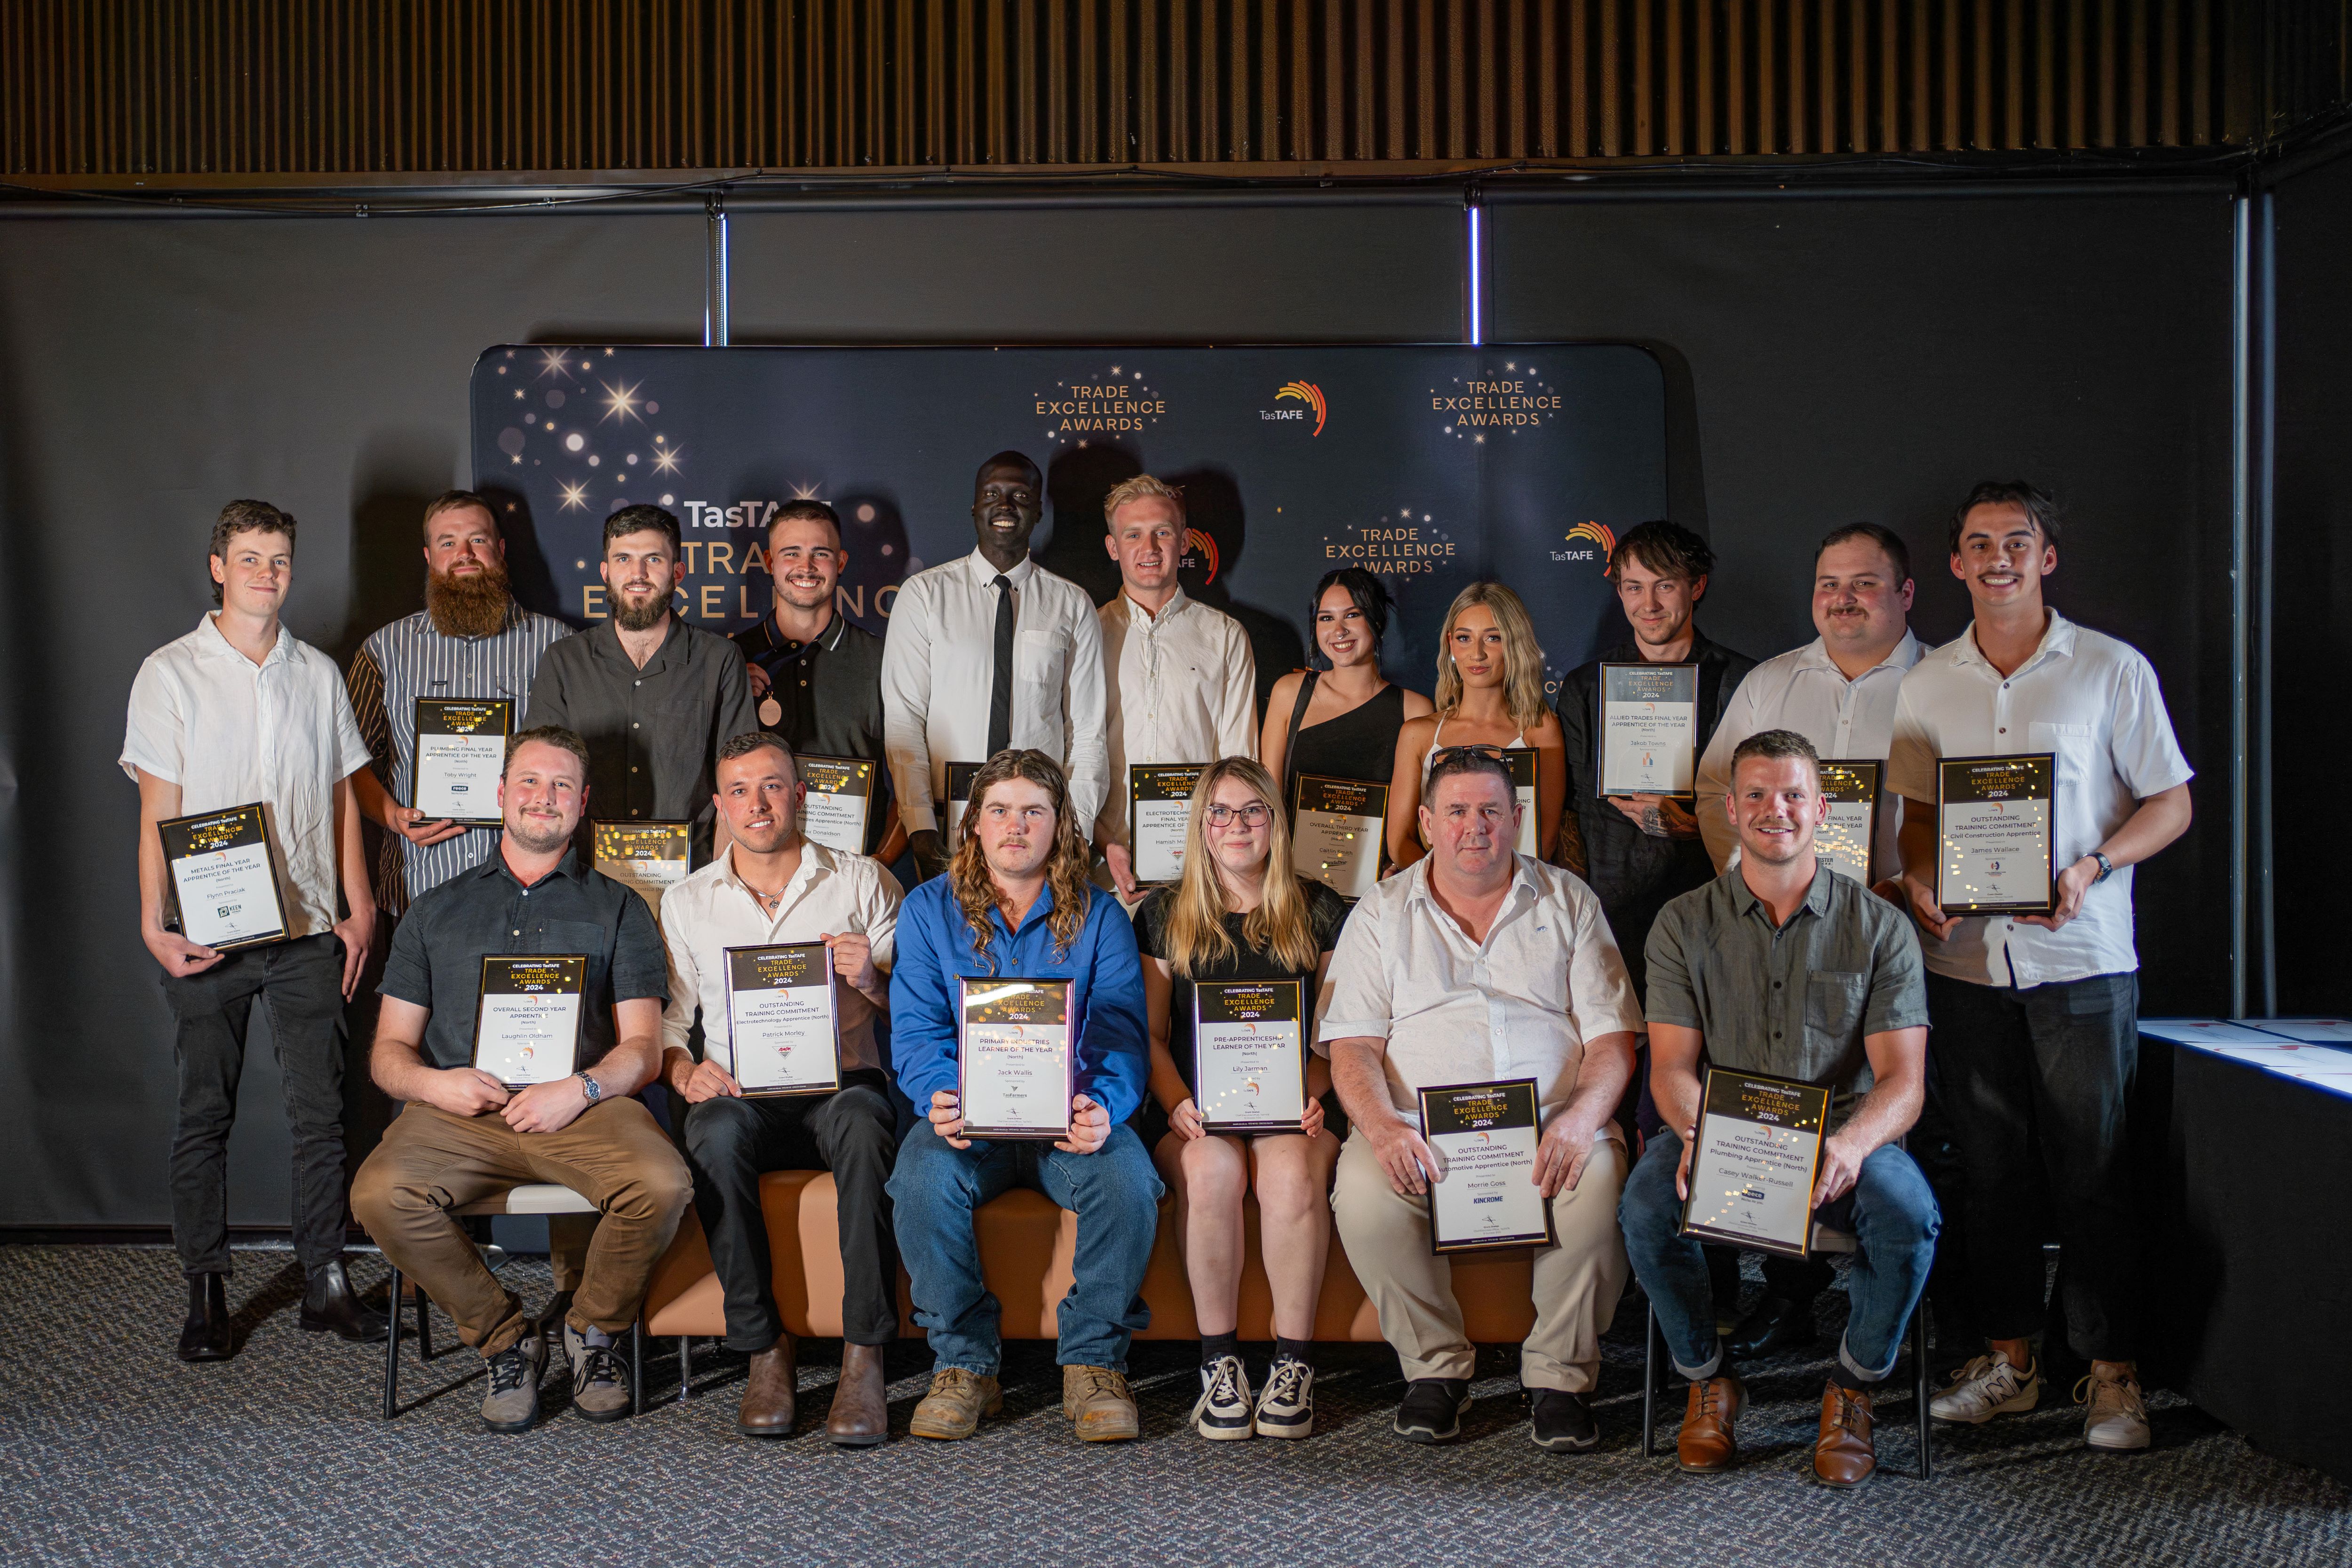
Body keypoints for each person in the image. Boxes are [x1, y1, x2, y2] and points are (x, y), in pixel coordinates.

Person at [1891, 481, 2193, 1454]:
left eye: (2015, 542)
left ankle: (2112, 1374)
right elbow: (1918, 818)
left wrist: (2094, 864)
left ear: (2045, 557)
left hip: (2080, 958)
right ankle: (2011, 1362)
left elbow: (2170, 803)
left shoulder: (2109, 668)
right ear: (1954, 562)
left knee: (2094, 1171)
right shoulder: (1928, 680)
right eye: (1977, 543)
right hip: (1968, 962)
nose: (1997, 559)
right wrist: (1921, 877)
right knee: (1989, 1174)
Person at [350, 727, 691, 1435]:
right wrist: (436, 1086)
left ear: (584, 803)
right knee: (379, 1193)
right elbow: (388, 1053)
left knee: (663, 1184)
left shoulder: (620, 907)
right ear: (501, 795)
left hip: (584, 1108)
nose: (546, 798)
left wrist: (583, 1089)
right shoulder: (433, 911)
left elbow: (642, 1048)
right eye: (531, 782)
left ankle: (592, 1330)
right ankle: (507, 1340)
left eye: (563, 785)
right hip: (459, 1114)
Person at [1621, 729, 1938, 1487]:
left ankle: (1853, 1385)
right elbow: (1671, 1066)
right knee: (1643, 1206)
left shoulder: (1880, 926)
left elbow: (1905, 1082)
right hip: (1720, 1128)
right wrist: (1697, 1135)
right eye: (1757, 795)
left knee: (1908, 1215)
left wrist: (1854, 1145)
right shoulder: (1681, 924)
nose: (1776, 811)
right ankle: (1707, 1376)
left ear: (1822, 808)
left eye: (1794, 794)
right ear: (1731, 809)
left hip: (1843, 1134)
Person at [121, 499, 384, 1361]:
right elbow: (156, 806)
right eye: (249, 558)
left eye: (278, 559)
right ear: (217, 566)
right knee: (205, 1112)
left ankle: (325, 1280)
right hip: (208, 933)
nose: (266, 573)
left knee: (321, 1114)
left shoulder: (318, 673)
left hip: (308, 925)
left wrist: (360, 906)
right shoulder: (169, 673)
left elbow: (345, 796)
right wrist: (154, 922)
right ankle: (206, 1288)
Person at [1324, 747, 1640, 1452]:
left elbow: (1614, 1040)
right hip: (1418, 1128)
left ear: (1518, 819)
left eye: (1492, 811)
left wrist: (1583, 1119)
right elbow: (1352, 1047)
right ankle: (1435, 1369)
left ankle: (1560, 1377)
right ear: (1427, 822)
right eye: (1459, 812)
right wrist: (1379, 1128)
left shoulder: (1569, 901)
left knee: (1598, 1179)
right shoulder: (1379, 911)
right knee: (1364, 1191)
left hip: (1552, 1124)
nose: (1476, 828)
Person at [1685, 522, 1923, 1360]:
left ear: (1906, 593)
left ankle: (1914, 1308)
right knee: (1781, 1090)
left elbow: (1953, 808)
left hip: (1911, 933)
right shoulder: (1772, 681)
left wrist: (1915, 884)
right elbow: (1719, 789)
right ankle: (1789, 1295)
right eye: (1829, 583)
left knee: (1908, 1113)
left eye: (1864, 582)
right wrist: (1761, 885)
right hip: (1780, 930)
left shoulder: (1941, 681)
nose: (1844, 598)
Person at [885, 749, 1160, 1443]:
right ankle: (964, 1363)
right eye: (1000, 810)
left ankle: (1095, 1361)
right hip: (969, 1122)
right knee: (919, 1175)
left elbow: (1121, 1030)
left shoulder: (1099, 916)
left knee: (1129, 1177)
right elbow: (917, 1027)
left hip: (1066, 1121)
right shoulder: (926, 910)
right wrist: (939, 1094)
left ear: (1059, 825)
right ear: (973, 824)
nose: (1016, 825)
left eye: (1033, 811)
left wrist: (1102, 1105)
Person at [659, 732, 903, 1445]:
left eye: (772, 786)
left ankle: (866, 1352)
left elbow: (922, 1008)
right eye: (739, 790)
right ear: (719, 806)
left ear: (800, 793)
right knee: (712, 1131)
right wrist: (683, 1070)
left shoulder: (862, 882)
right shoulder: (686, 901)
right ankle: (764, 1348)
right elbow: (670, 1022)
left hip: (841, 1085)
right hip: (741, 1090)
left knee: (864, 1120)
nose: (757, 804)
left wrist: (871, 979)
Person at [1134, 758, 1349, 1440]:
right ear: (1201, 824)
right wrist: (1176, 1104)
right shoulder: (1164, 912)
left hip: (1298, 1107)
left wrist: (1316, 1094)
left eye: (1254, 810)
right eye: (1220, 812)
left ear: (1276, 823)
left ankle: (1293, 1365)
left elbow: (1336, 1036)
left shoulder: (1319, 908)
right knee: (1213, 1169)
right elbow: (1151, 1036)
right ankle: (1218, 1363)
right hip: (1197, 1109)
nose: (1237, 825)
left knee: (1287, 1174)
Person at [1554, 520, 1759, 1005]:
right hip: (1611, 914)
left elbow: (1764, 803)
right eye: (1633, 588)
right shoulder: (1585, 686)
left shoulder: (1745, 682)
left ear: (1696, 586)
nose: (1647, 605)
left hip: (1714, 904)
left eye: (1664, 586)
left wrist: (1692, 827)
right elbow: (1570, 806)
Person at [881, 451, 1109, 883]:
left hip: (1039, 835)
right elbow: (905, 722)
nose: (1005, 506)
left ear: (1039, 510)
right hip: (950, 829)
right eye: (992, 494)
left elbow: (1087, 731)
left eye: (1020, 495)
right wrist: (922, 829)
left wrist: (1073, 832)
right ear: (973, 506)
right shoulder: (925, 596)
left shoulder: (1072, 604)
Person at [347, 490, 570, 914]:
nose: (464, 554)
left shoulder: (556, 644)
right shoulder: (385, 649)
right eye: (448, 542)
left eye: (478, 540)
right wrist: (392, 815)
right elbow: (346, 760)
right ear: (429, 556)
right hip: (419, 889)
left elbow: (579, 762)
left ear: (500, 550)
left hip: (536, 889)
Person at [524, 502, 758, 866]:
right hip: (587, 878)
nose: (638, 574)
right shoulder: (564, 661)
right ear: (605, 571)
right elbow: (537, 777)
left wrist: (718, 888)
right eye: (623, 559)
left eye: (654, 559)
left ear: (678, 571)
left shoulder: (721, 660)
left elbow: (739, 786)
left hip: (690, 880)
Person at [1093, 474, 1256, 902]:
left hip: (1201, 875)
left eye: (1162, 533)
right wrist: (1101, 842)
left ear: (1185, 543)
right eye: (1133, 535)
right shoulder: (1084, 633)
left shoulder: (1225, 636)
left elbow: (1239, 761)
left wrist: (1214, 854)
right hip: (1099, 871)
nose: (1149, 549)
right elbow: (1065, 750)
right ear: (1113, 547)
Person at [730, 500, 904, 863]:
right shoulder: (728, 661)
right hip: (753, 874)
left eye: (820, 553)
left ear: (840, 562)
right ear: (769, 562)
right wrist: (730, 694)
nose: (806, 567)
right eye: (791, 553)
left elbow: (912, 784)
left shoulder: (883, 660)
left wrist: (878, 868)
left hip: (850, 876)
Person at [1383, 582, 1567, 870]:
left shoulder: (1540, 729)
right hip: (1437, 898)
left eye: (1493, 638)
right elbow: (1399, 842)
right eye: (1464, 638)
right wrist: (1451, 887)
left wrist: (1489, 888)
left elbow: (1544, 841)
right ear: (1450, 644)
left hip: (1517, 894)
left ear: (1514, 644)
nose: (1477, 654)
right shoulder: (1418, 735)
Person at [1260, 567, 1433, 814]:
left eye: (1352, 615)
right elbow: (1269, 802)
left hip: (1381, 853)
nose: (1339, 630)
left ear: (1378, 620)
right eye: (1326, 618)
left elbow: (1415, 818)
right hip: (1295, 852)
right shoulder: (1289, 692)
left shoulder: (1414, 709)